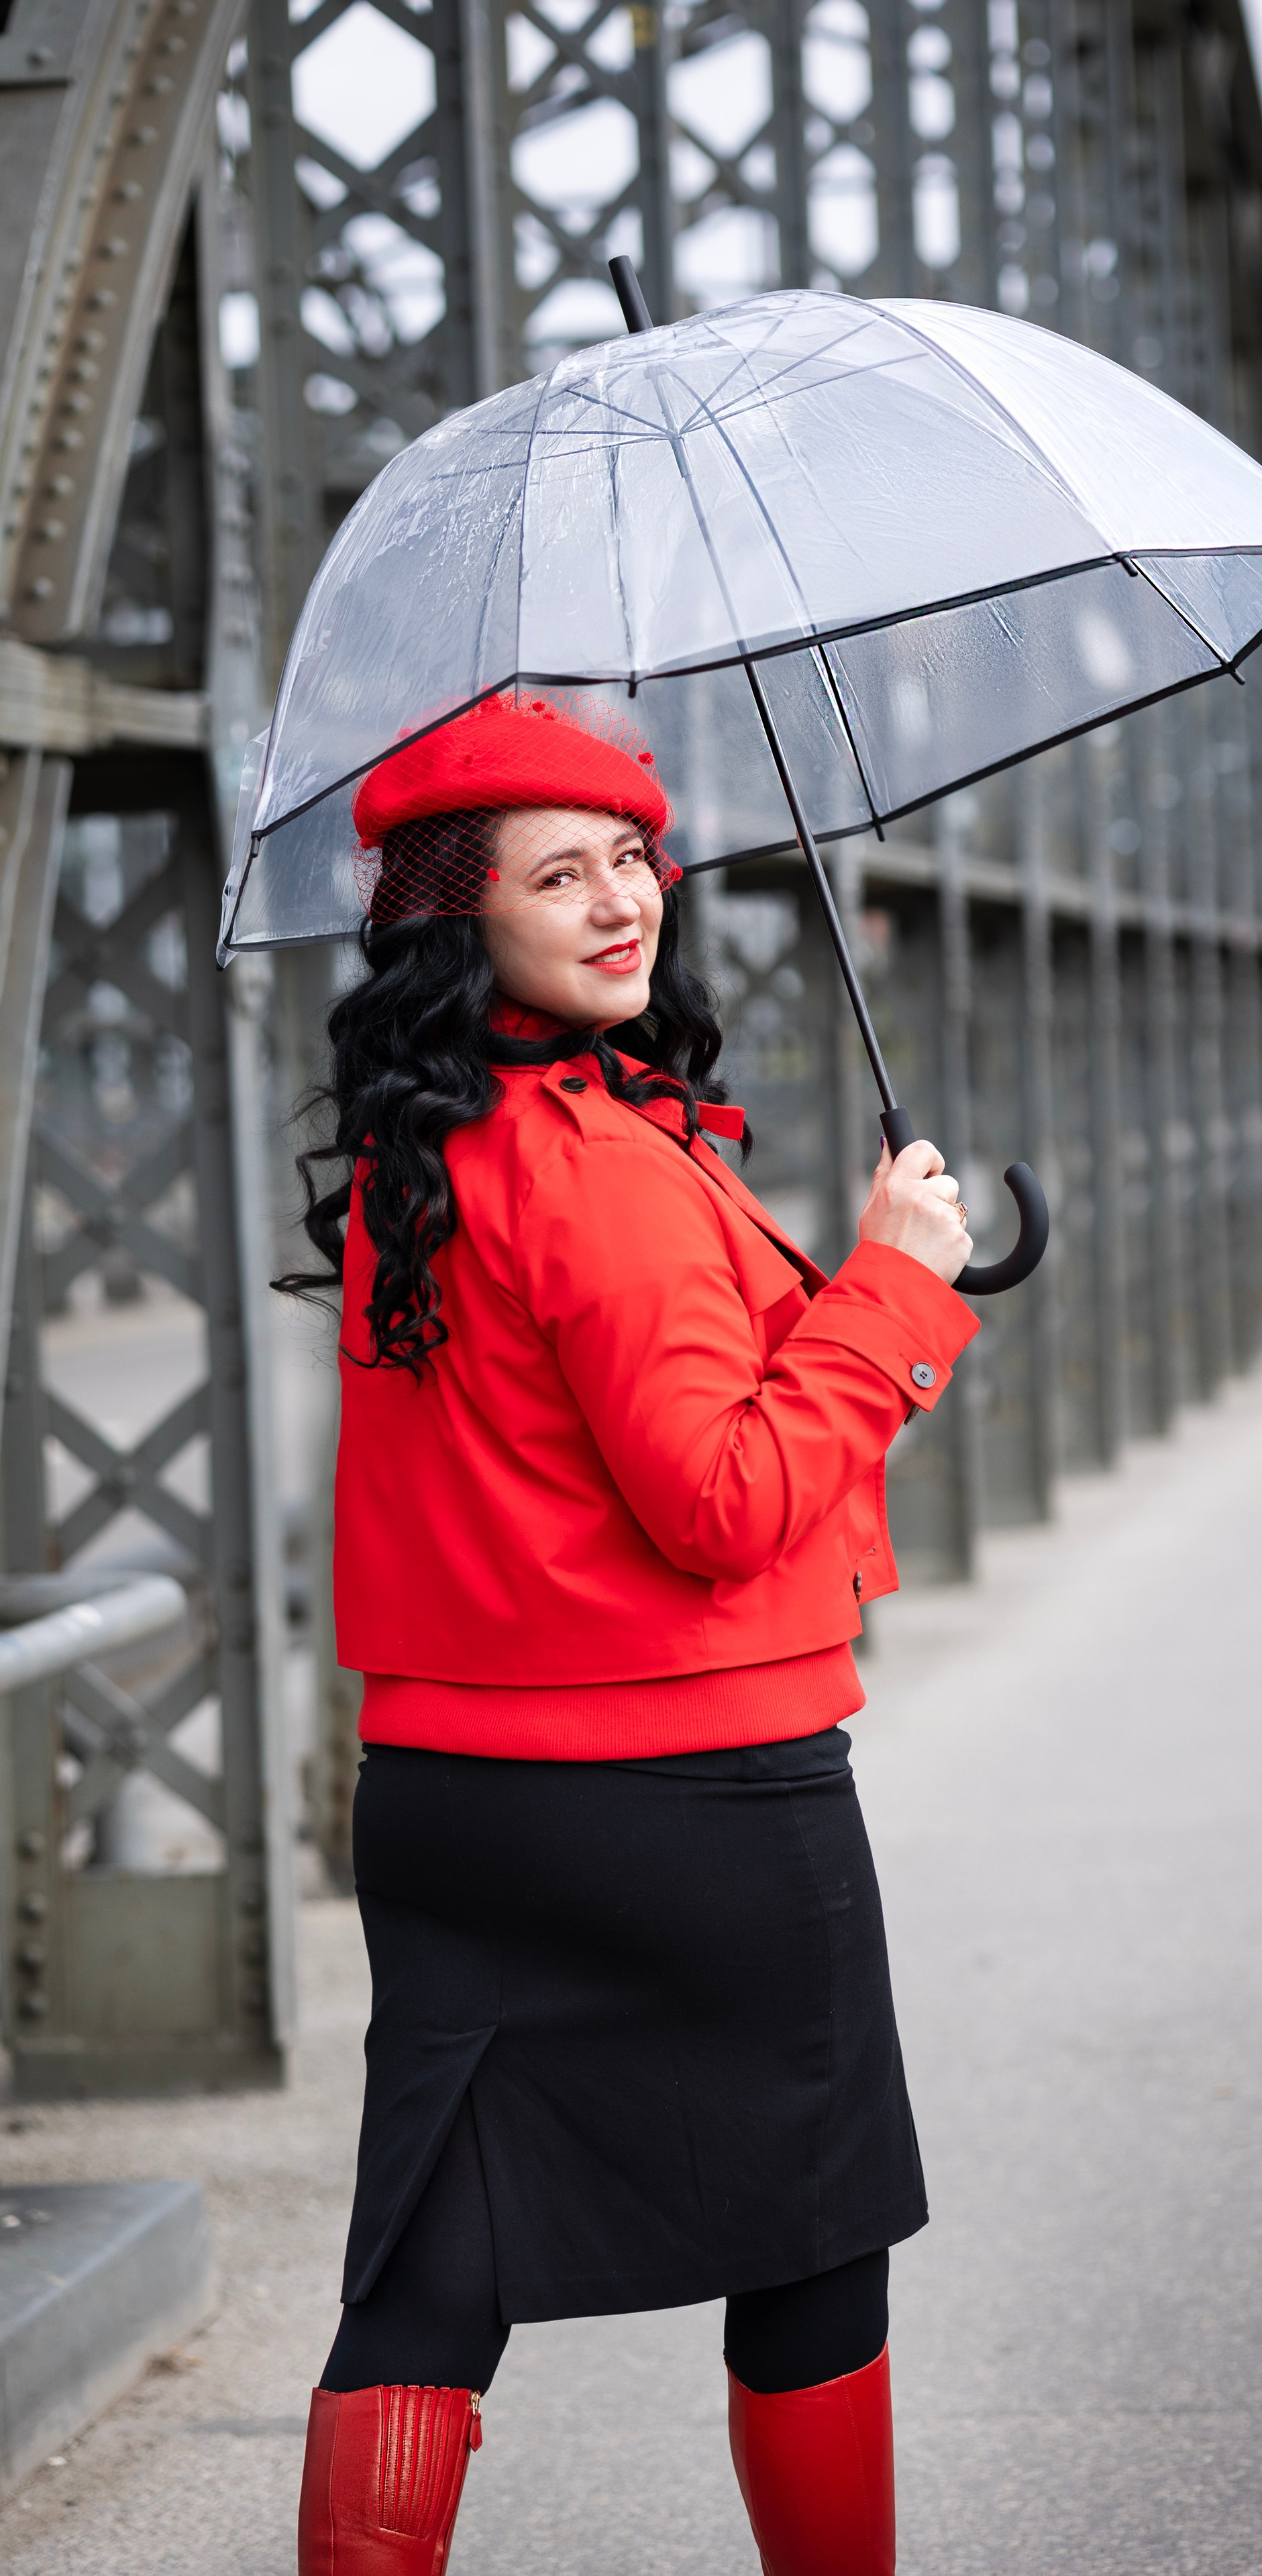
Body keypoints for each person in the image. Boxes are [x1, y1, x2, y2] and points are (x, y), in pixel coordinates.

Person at [279, 693, 978, 2575]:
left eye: (635, 859)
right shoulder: (604, 1171)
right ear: (463, 916)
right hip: (703, 1800)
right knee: (813, 2246)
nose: (621, 904)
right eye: (558, 875)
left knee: (431, 2266)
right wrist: (895, 1291)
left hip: (453, 1799)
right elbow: (726, 1501)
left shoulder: (418, 1168)